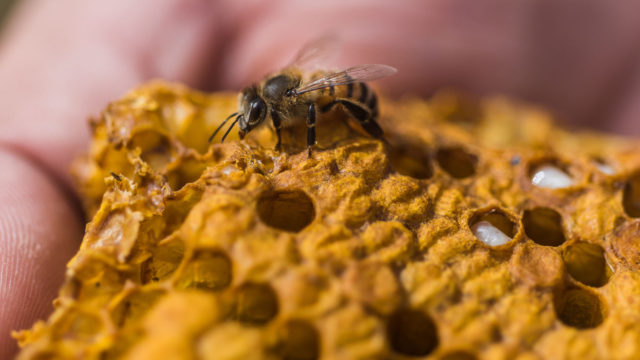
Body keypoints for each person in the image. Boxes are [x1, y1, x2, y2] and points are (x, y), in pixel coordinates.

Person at [1, 0, 639, 357]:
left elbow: (314, 104)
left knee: (337, 112)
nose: (253, 122)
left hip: (364, 102)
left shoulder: (295, 102)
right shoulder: (264, 100)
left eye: (255, 117)